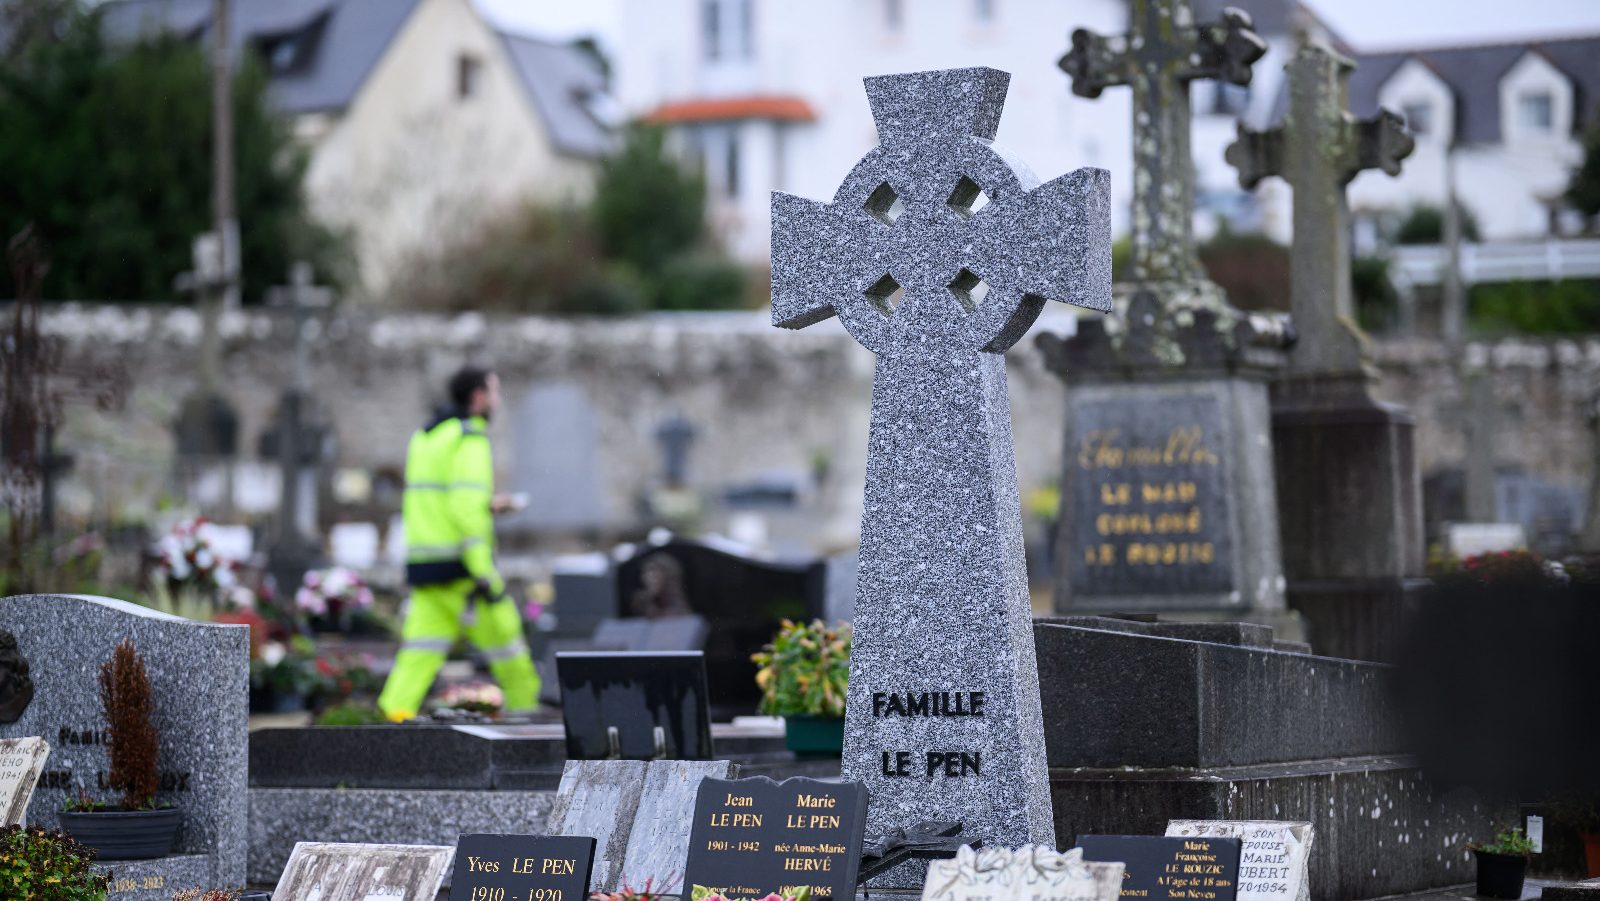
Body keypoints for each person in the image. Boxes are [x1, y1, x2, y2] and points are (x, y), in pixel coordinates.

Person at [377, 366, 538, 720]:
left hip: (427, 564)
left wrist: (489, 505)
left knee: (418, 656)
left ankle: (389, 726)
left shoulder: (427, 436)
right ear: (478, 397)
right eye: (494, 392)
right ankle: (532, 729)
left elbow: (436, 500)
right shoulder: (470, 439)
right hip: (465, 570)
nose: (498, 400)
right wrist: (484, 573)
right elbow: (465, 509)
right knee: (510, 653)